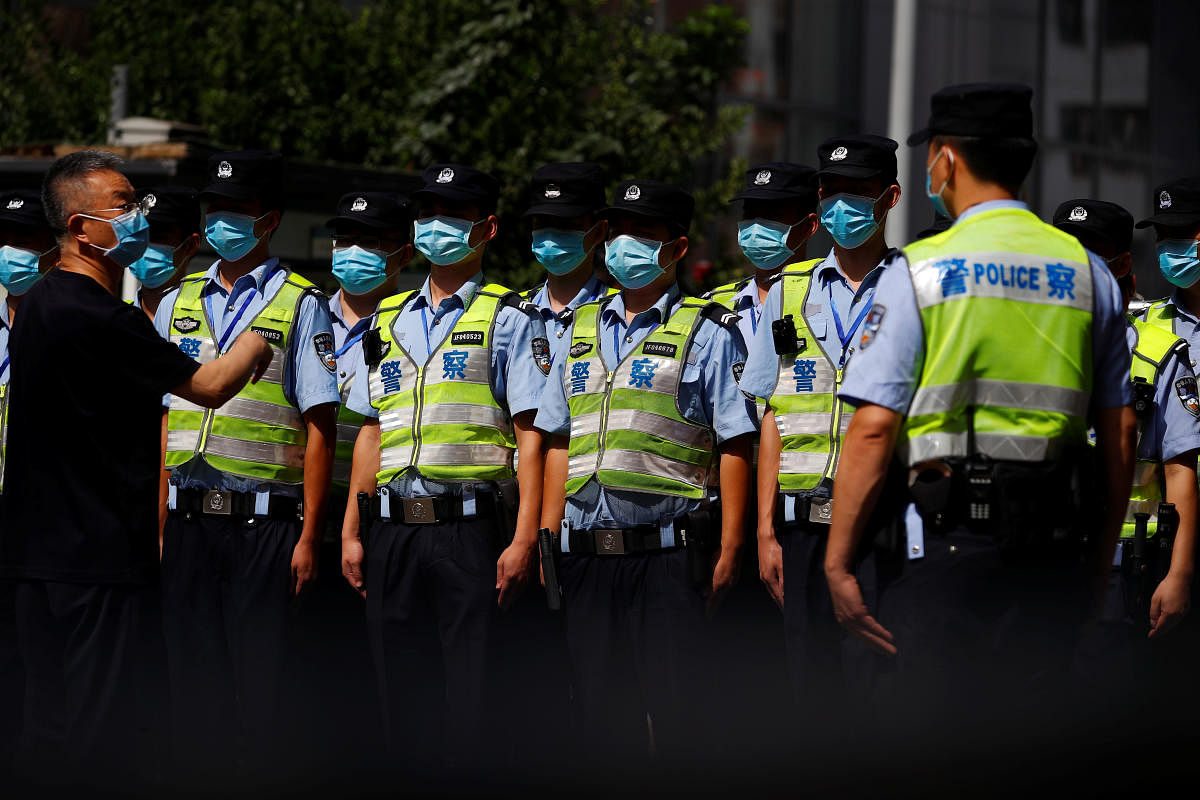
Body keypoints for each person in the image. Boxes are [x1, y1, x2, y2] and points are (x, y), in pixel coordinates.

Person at [823, 83, 1135, 768]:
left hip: (946, 548)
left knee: (932, 746)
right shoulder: (1089, 274)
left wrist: (839, 559)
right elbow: (1118, 437)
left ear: (945, 161)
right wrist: (1101, 564)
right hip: (1055, 547)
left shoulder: (920, 271)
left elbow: (873, 430)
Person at [0, 150, 272, 791]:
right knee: (102, 732)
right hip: (96, 559)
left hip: (33, 555)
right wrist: (264, 336)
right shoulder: (104, 316)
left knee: (43, 726)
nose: (141, 217)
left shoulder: (35, 305)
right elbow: (209, 384)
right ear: (80, 228)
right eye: (125, 206)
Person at [535, 178, 757, 771]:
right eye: (618, 232)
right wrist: (546, 536)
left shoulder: (706, 332)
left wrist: (731, 548)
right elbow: (558, 440)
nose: (624, 245)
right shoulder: (578, 330)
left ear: (677, 249)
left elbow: (735, 444)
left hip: (666, 560)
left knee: (676, 726)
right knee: (600, 728)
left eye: (644, 235)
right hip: (585, 557)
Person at [339, 164, 548, 783]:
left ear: (485, 229)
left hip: (469, 531)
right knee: (398, 696)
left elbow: (531, 436)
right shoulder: (387, 318)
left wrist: (524, 538)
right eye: (426, 215)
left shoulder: (510, 316)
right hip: (391, 531)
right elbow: (371, 430)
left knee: (471, 695)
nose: (436, 228)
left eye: (452, 217)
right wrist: (352, 529)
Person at [154, 150, 339, 783]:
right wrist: (158, 522)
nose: (221, 221)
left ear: (269, 220)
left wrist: (310, 535)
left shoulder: (300, 303)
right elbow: (162, 422)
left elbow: (320, 426)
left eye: (237, 210)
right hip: (187, 520)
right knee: (190, 680)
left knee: (260, 685)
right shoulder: (175, 300)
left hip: (264, 524)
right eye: (214, 209)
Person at [737, 136, 900, 725]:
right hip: (798, 526)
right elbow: (772, 415)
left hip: (875, 525)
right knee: (808, 696)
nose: (841, 209)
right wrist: (765, 532)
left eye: (858, 194)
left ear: (890, 199)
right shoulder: (789, 288)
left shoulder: (912, 289)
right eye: (832, 195)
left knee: (874, 689)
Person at [1053, 198, 1199, 731]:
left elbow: (1180, 470)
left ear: (1121, 266)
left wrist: (1179, 573)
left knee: (1111, 715)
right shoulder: (1036, 336)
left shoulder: (1160, 350)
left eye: (1092, 256)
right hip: (1049, 557)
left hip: (1124, 571)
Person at [0, 187, 58, 780]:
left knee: (35, 652)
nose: (12, 253)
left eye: (26, 242)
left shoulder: (68, 319)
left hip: (42, 518)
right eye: (4, 241)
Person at [706, 162, 819, 347]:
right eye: (750, 214)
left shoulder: (828, 299)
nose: (757, 227)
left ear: (808, 226)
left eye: (772, 215)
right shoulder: (713, 305)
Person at [522, 162, 612, 364]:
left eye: (566, 224)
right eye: (542, 223)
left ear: (598, 231)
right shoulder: (513, 311)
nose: (552, 235)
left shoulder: (618, 313)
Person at [129, 186, 201, 320]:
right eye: (139, 234)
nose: (145, 244)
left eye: (158, 236)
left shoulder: (212, 317)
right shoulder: (114, 318)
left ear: (191, 245)